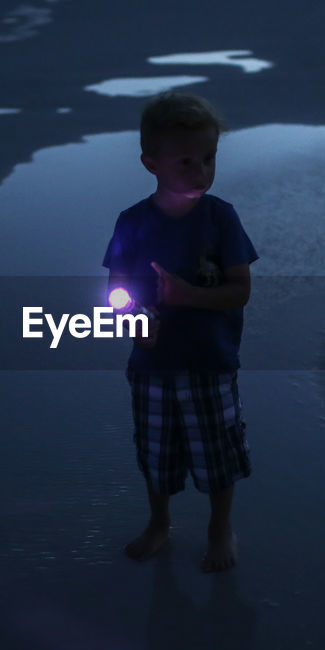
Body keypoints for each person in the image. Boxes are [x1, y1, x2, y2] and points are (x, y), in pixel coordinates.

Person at [103, 92, 259, 573]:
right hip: (151, 368)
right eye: (185, 161)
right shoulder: (132, 223)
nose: (200, 171)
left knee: (217, 453)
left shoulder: (220, 218)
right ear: (151, 162)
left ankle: (219, 526)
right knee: (156, 452)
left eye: (208, 159)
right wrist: (133, 321)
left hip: (210, 363)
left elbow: (239, 292)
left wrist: (189, 296)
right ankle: (159, 522)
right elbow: (115, 292)